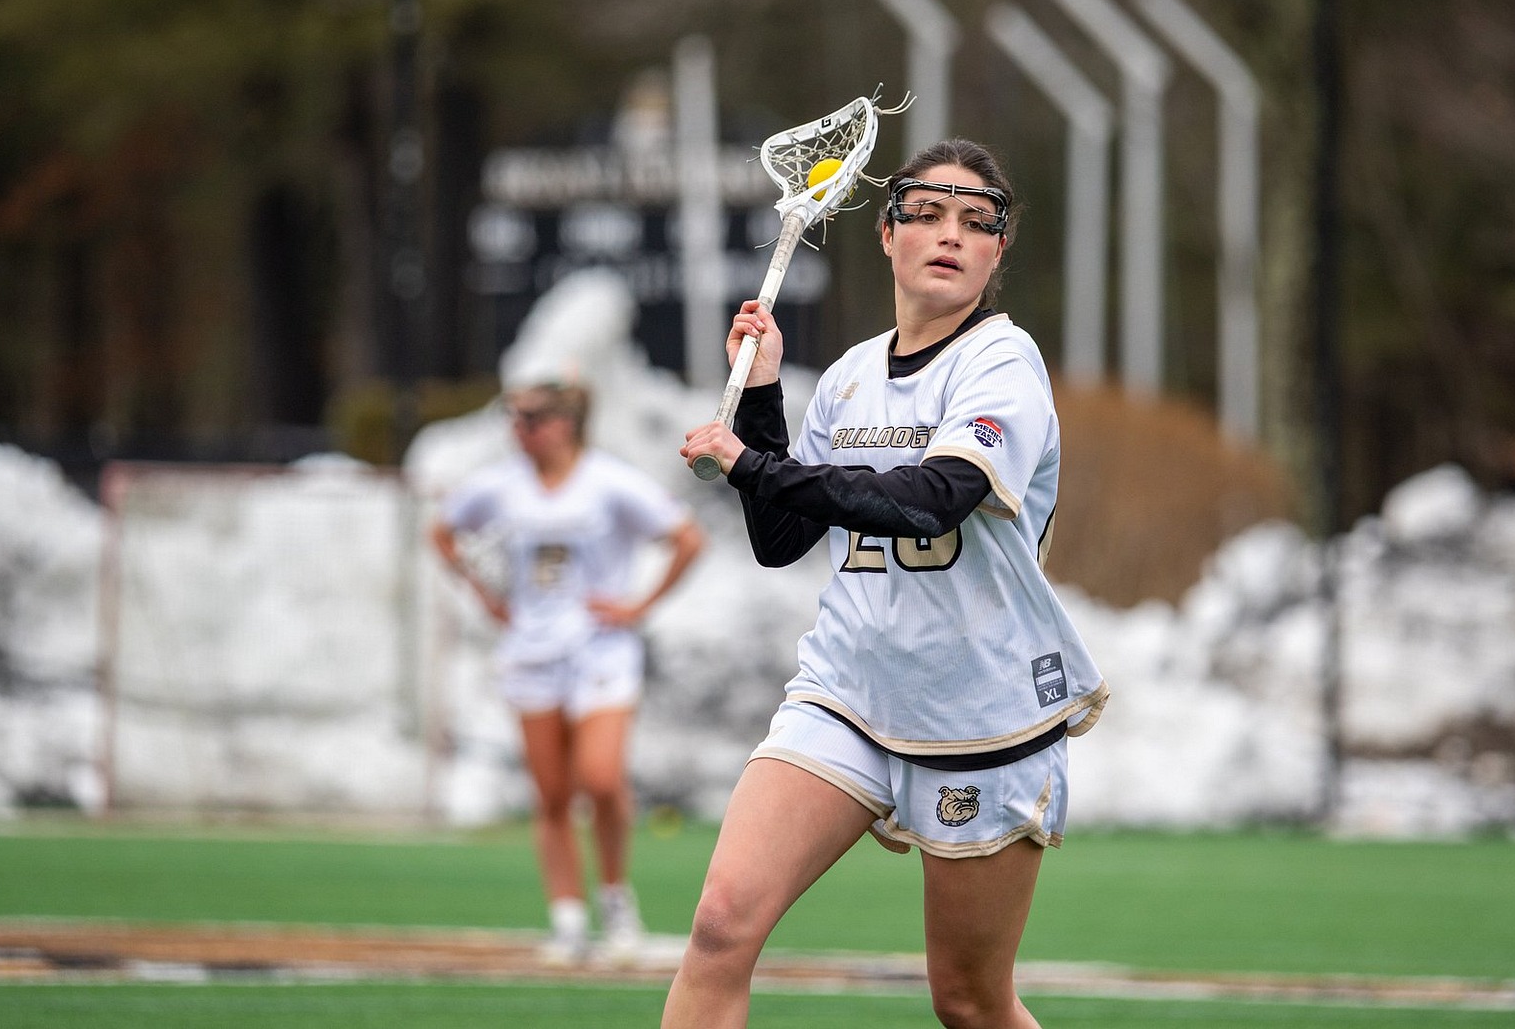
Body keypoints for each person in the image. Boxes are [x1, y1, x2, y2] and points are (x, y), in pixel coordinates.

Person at [671, 139, 1109, 1028]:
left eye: (977, 221)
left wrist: (754, 462)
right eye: (928, 213)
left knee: (970, 1003)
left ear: (996, 253)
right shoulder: (848, 377)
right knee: (720, 927)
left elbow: (931, 503)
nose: (951, 234)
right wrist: (761, 398)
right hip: (847, 696)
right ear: (887, 234)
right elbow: (783, 537)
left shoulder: (1001, 365)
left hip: (979, 713)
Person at [433, 380, 704, 966]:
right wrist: (484, 594)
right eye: (516, 418)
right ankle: (567, 917)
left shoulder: (607, 482)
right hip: (531, 650)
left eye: (533, 419)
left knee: (602, 779)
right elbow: (443, 528)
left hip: (600, 648)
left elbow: (685, 537)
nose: (521, 430)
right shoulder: (501, 485)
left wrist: (638, 605)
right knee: (552, 793)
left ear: (565, 423)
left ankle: (615, 899)